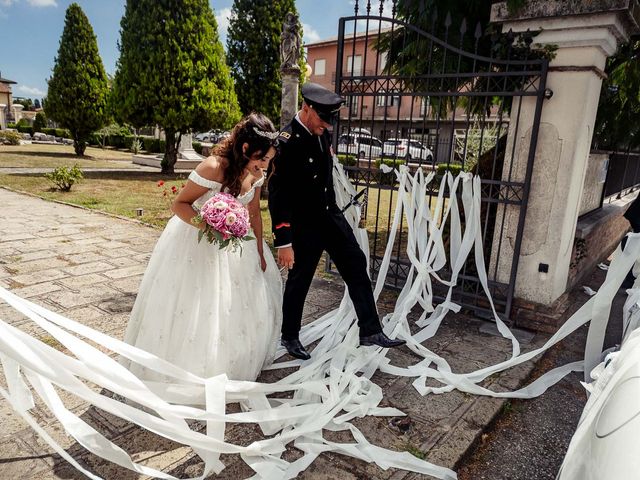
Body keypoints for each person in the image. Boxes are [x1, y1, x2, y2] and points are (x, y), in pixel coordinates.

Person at [122, 113, 283, 382]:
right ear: (245, 149)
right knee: (199, 306)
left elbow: (253, 212)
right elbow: (180, 205)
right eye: (262, 158)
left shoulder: (255, 174)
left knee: (234, 306)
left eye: (269, 160)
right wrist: (211, 227)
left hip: (236, 248)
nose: (266, 165)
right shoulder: (212, 167)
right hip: (196, 244)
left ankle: (232, 362)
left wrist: (258, 248)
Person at [268, 82, 406, 360]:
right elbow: (278, 195)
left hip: (330, 217)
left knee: (356, 263)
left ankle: (370, 330)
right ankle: (290, 336)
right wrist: (284, 240)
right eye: (323, 119)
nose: (328, 126)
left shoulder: (320, 132)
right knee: (300, 279)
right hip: (304, 225)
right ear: (306, 108)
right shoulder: (286, 141)